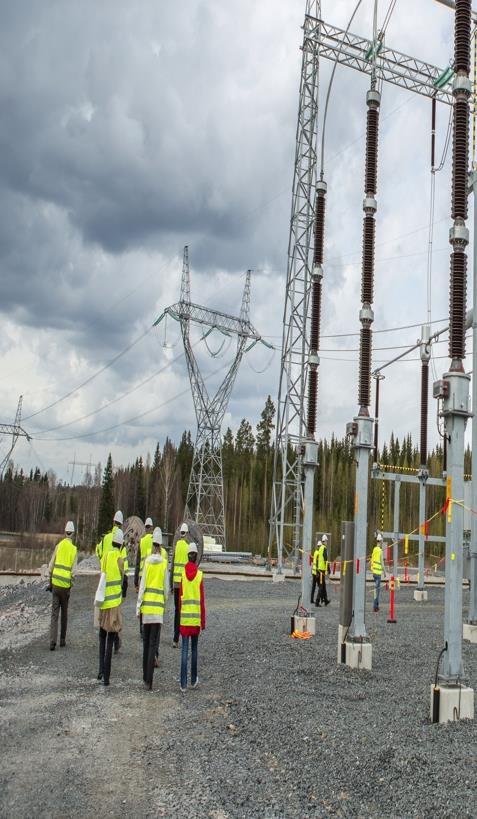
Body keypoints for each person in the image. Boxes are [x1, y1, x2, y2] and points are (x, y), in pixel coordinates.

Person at [136, 527, 169, 690]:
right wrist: (164, 602)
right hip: (157, 612)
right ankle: (150, 680)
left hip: (146, 610)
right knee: (153, 645)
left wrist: (138, 607)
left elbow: (142, 587)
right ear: (161, 545)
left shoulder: (147, 563)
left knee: (145, 643)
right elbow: (166, 588)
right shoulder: (163, 564)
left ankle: (144, 676)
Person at [97, 528, 124, 686]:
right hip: (114, 604)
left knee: (101, 637)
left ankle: (100, 670)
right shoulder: (120, 559)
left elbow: (102, 575)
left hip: (103, 602)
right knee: (110, 640)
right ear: (120, 545)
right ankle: (107, 677)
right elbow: (122, 579)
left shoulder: (106, 556)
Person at [178, 542, 205, 693]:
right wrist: (203, 621)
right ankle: (193, 680)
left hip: (184, 619)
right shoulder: (200, 575)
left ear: (188, 556)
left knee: (184, 651)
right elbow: (202, 600)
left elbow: (180, 599)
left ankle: (183, 683)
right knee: (194, 650)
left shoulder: (182, 574)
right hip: (195, 620)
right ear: (196, 557)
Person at [48, 521, 78, 650]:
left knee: (54, 614)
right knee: (64, 614)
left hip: (55, 585)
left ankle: (52, 641)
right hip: (65, 587)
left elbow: (51, 566)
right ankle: (62, 640)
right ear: (73, 534)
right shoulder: (74, 549)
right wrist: (71, 583)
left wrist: (51, 581)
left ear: (65, 532)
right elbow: (74, 572)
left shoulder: (58, 546)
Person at [172, 523, 191, 646]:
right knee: (182, 610)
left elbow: (172, 564)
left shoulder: (176, 546)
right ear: (187, 534)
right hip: (184, 584)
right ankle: (182, 636)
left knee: (176, 611)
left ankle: (175, 639)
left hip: (176, 583)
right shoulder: (188, 547)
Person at [370, 533, 386, 612]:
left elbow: (372, 560)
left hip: (374, 573)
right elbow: (382, 563)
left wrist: (372, 568)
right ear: (380, 541)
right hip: (378, 573)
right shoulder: (380, 551)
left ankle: (376, 606)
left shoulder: (374, 549)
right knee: (377, 591)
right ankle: (375, 606)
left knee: (376, 590)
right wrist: (385, 572)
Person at [316, 534, 330, 607]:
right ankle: (317, 601)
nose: (327, 542)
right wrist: (328, 569)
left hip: (319, 569)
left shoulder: (320, 548)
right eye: (326, 541)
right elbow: (325, 560)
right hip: (322, 570)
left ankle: (326, 600)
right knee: (321, 586)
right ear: (324, 541)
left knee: (323, 586)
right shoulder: (324, 548)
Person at [311, 539, 321, 604]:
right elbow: (317, 562)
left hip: (313, 572)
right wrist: (318, 572)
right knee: (320, 586)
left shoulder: (315, 552)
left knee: (314, 586)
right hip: (316, 572)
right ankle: (319, 600)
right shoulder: (318, 553)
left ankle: (311, 599)